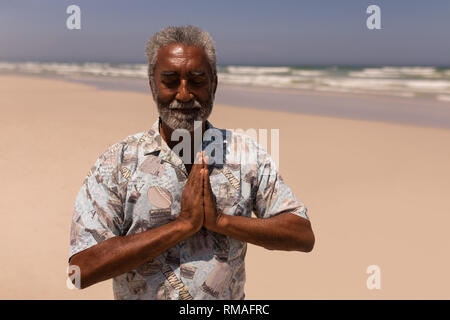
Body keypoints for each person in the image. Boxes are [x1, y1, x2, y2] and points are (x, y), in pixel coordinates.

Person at [68, 25, 315, 300]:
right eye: (170, 80)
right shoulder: (117, 162)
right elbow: (81, 269)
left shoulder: (246, 155)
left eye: (197, 80)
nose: (184, 95)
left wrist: (221, 221)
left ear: (215, 84)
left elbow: (302, 234)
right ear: (152, 85)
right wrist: (181, 225)